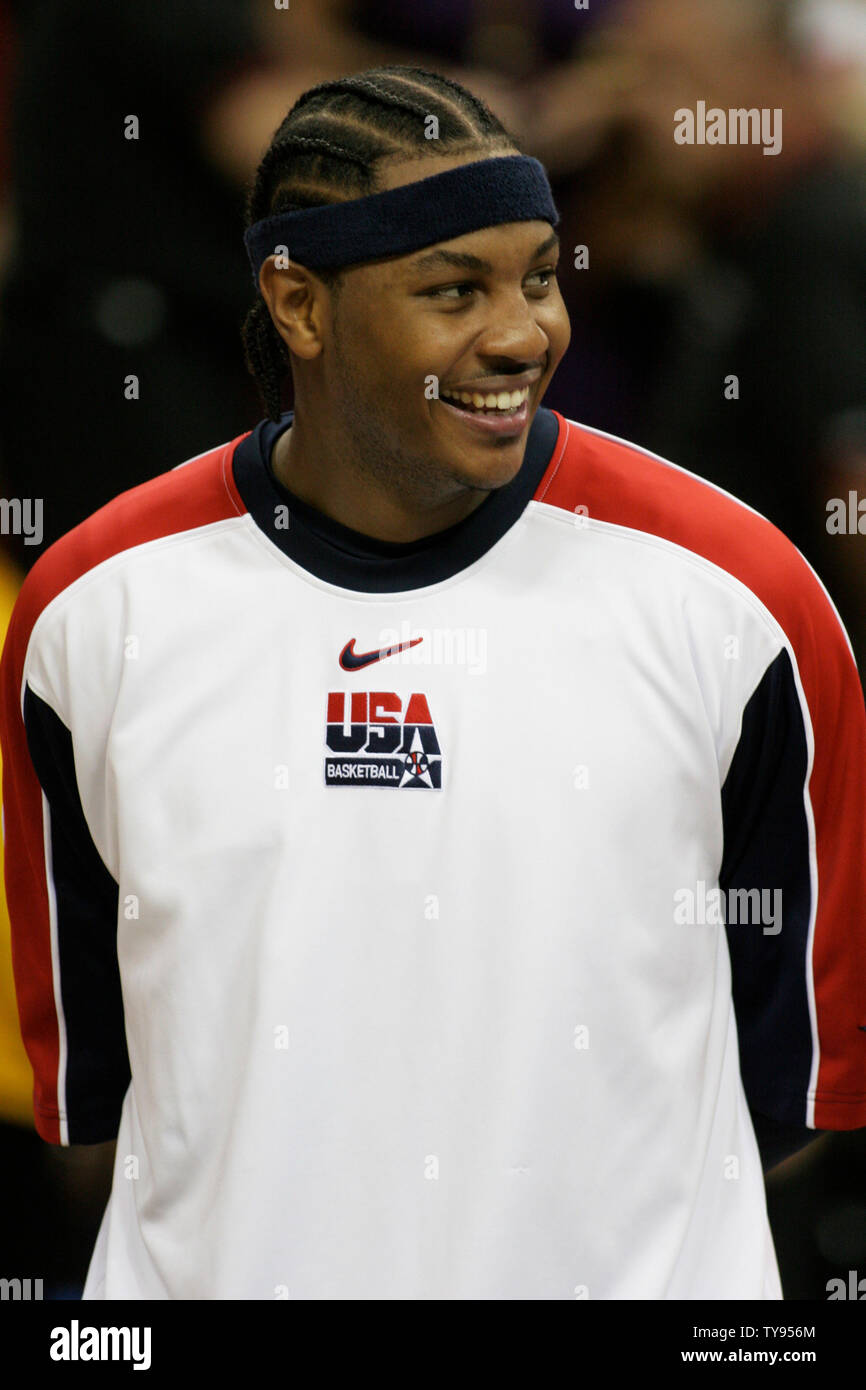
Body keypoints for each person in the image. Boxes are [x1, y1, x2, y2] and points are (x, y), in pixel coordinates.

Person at [1, 65, 865, 1301]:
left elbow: (800, 1084)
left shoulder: (739, 596)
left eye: (538, 275)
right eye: (454, 289)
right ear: (297, 303)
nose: (522, 333)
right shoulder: (94, 611)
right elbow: (94, 1087)